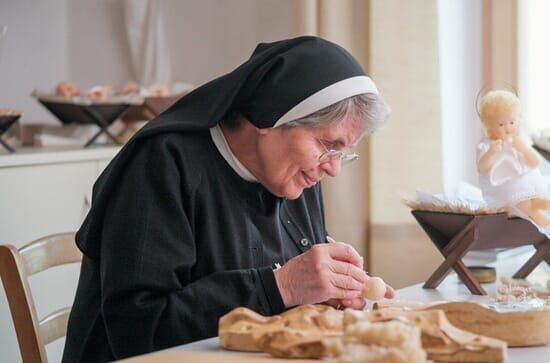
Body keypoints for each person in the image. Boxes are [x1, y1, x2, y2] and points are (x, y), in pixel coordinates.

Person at [62, 36, 392, 362]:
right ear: (271, 116)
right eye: (327, 145)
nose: (333, 168)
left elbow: (284, 301)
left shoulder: (295, 173)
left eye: (342, 153)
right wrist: (281, 287)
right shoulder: (162, 163)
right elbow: (139, 332)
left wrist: (324, 294)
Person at [477, 90, 549, 228]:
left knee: (537, 200)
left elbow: (535, 162)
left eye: (512, 122)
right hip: (504, 186)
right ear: (489, 126)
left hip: (526, 183)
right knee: (525, 206)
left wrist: (523, 149)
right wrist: (491, 152)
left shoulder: (516, 141)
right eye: (501, 125)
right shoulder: (485, 145)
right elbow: (482, 167)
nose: (508, 128)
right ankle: (545, 222)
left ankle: (542, 205)